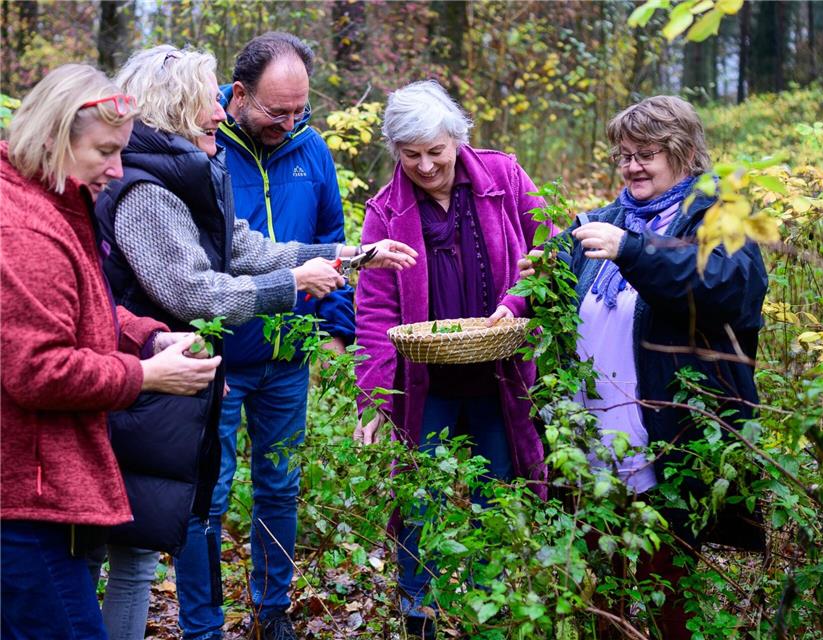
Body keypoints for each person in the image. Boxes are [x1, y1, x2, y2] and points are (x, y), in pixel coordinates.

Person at [90, 46, 416, 640]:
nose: (216, 111)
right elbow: (193, 292)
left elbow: (247, 248)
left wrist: (348, 256)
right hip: (150, 378)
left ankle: (264, 611)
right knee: (133, 544)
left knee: (139, 553)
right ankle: (201, 627)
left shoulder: (189, 177)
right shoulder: (148, 192)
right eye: (205, 100)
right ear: (177, 110)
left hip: (199, 373)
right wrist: (290, 284)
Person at [522, 96, 768, 639]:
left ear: (682, 153)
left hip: (666, 434)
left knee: (666, 586)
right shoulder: (603, 221)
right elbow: (555, 299)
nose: (632, 166)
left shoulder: (722, 217)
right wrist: (538, 279)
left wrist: (634, 251)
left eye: (646, 154)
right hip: (588, 434)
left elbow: (729, 290)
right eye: (624, 155)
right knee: (598, 584)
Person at [1, 63, 220, 639]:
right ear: (52, 140)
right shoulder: (23, 230)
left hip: (36, 488)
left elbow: (74, 309)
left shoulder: (50, 203)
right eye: (104, 151)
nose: (117, 169)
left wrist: (147, 335)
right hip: (26, 497)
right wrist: (146, 374)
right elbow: (38, 370)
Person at [154, 32, 357, 640]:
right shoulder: (203, 146)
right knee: (205, 498)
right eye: (276, 111)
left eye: (301, 110)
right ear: (238, 94)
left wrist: (335, 331)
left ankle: (273, 611)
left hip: (288, 358)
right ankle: (202, 626)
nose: (289, 123)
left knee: (280, 486)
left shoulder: (311, 149)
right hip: (214, 358)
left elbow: (332, 234)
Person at [353, 80, 549, 638]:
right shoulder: (385, 212)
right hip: (428, 383)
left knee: (498, 484)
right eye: (410, 155)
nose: (425, 165)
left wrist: (515, 303)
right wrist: (374, 396)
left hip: (498, 373)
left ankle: (490, 602)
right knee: (420, 492)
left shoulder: (503, 178)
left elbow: (548, 247)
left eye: (435, 151)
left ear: (457, 140)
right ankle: (420, 611)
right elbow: (372, 314)